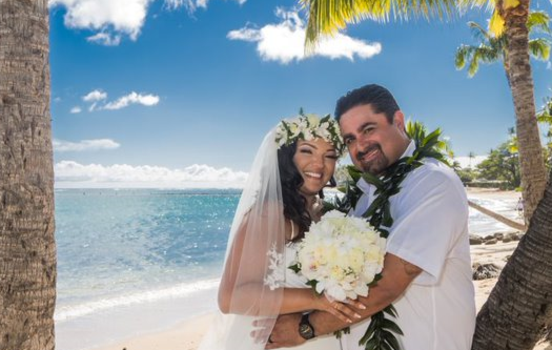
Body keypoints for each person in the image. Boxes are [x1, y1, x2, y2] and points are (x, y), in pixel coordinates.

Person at [266, 84, 476, 350]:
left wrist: (306, 328)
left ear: (398, 121)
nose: (360, 146)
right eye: (350, 139)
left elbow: (390, 282)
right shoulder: (364, 194)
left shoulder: (432, 182)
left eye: (368, 129)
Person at [198, 114, 364, 350]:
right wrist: (317, 299)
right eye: (307, 151)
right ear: (287, 157)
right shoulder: (269, 213)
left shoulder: (324, 212)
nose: (319, 164)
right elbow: (230, 298)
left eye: (329, 156)